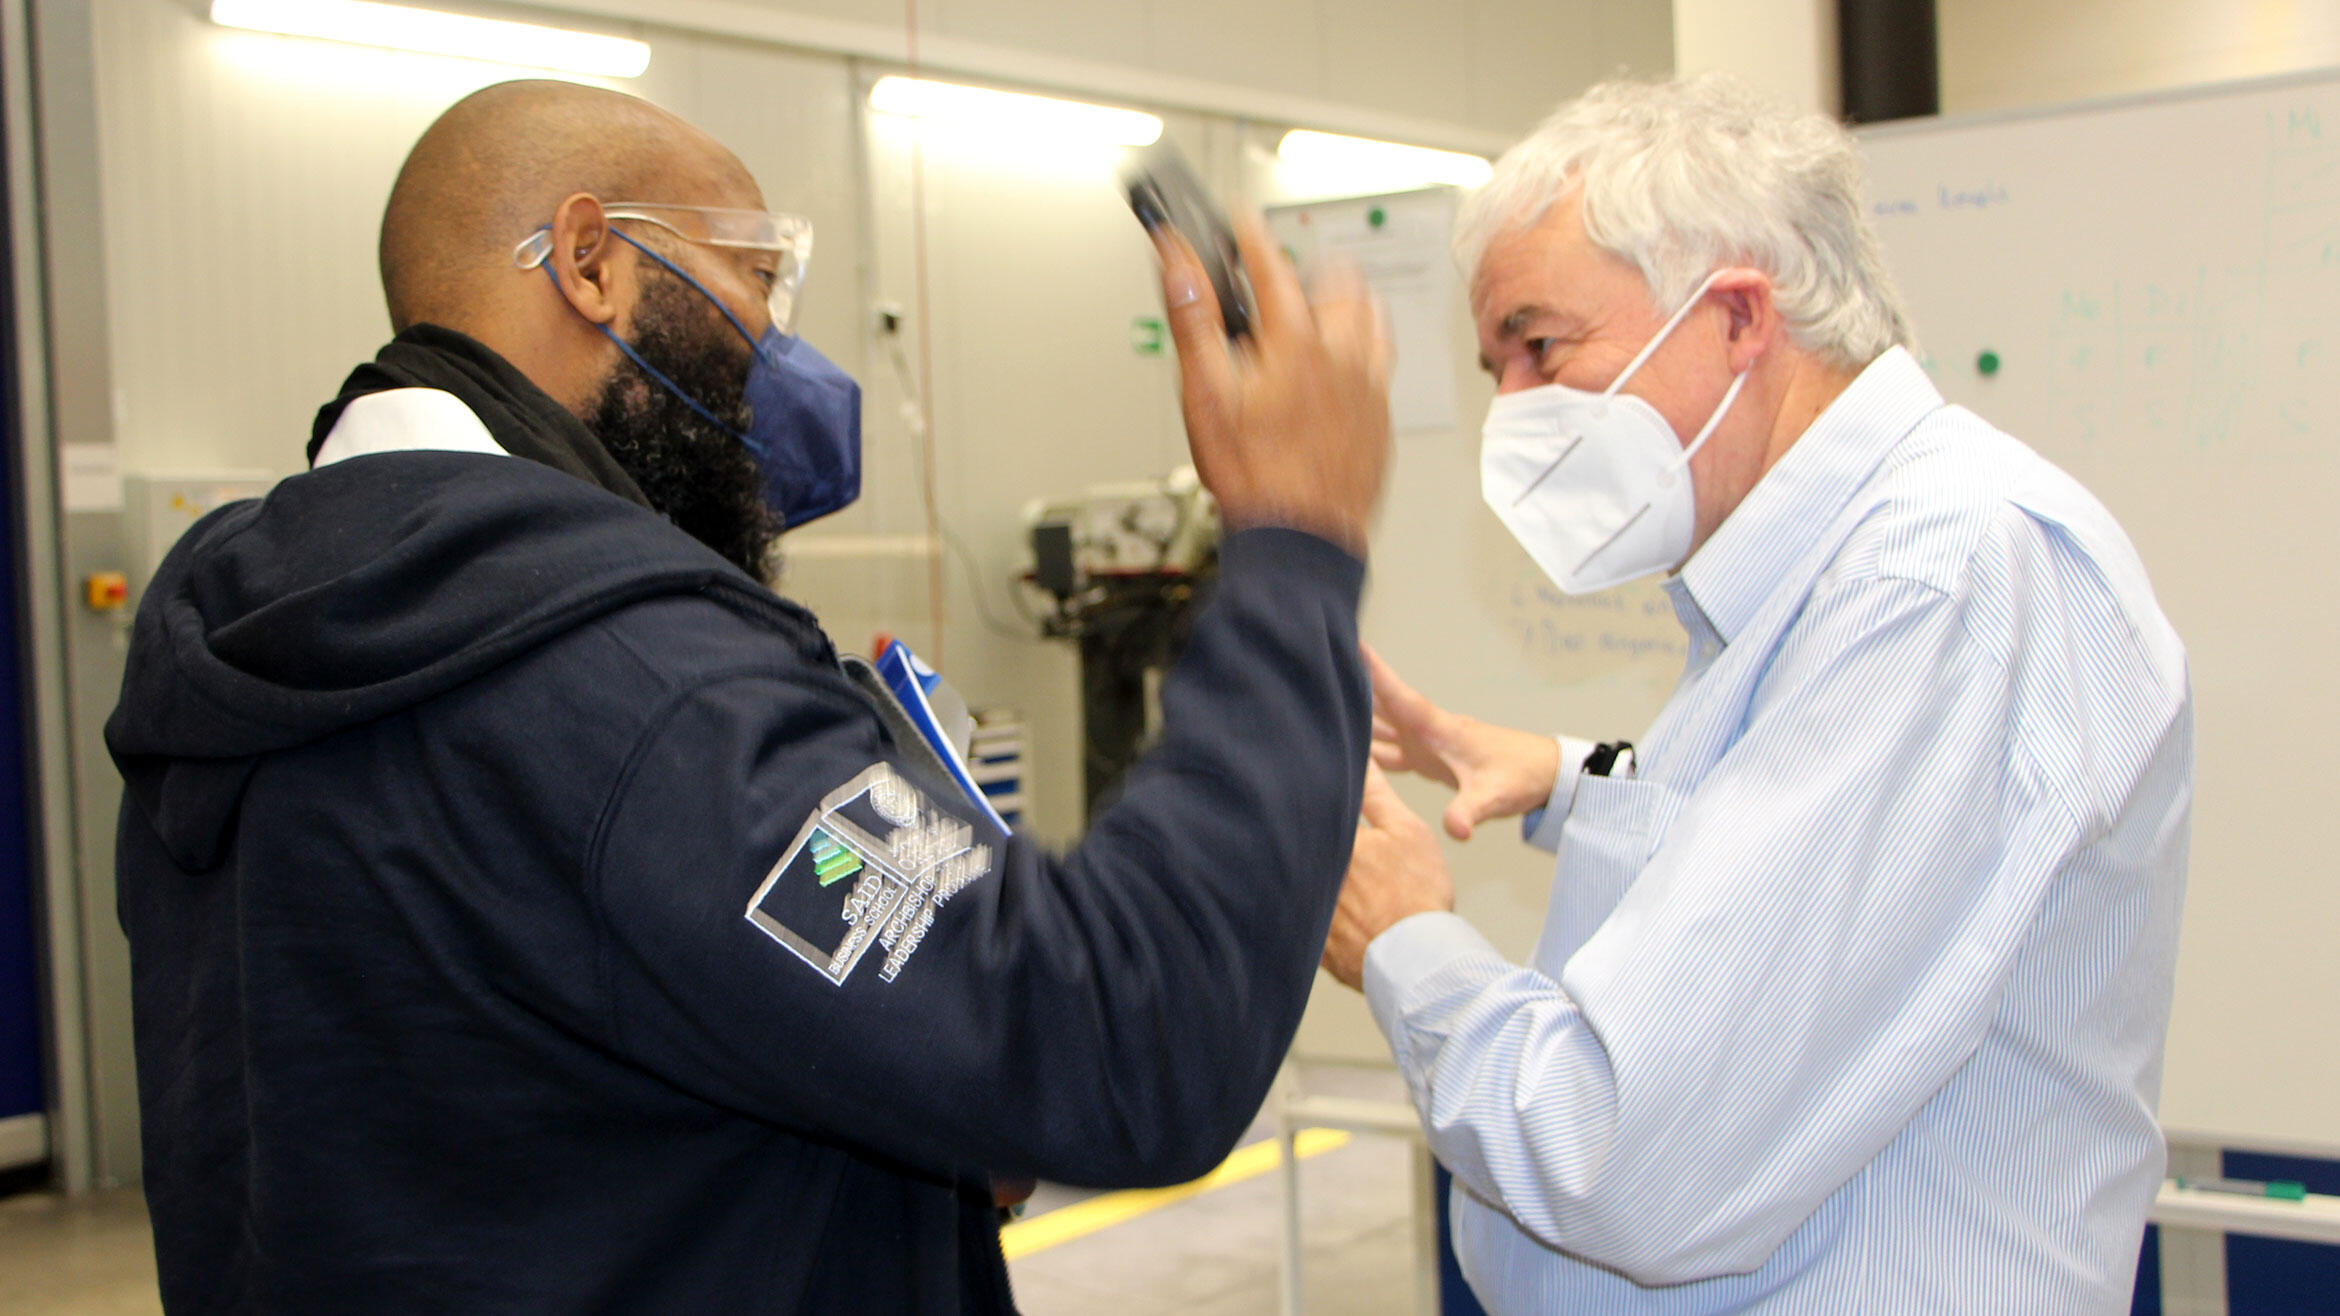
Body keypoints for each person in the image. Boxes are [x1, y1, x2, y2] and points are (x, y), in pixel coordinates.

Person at [105, 80, 1390, 1313]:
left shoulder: (256, 627)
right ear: (591, 260)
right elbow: (1125, 1034)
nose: (779, 350)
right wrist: (1293, 549)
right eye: (756, 279)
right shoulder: (626, 683)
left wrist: (914, 1101)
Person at [1321, 75, 2192, 1313]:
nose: (1511, 412)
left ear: (1736, 318)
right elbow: (1789, 842)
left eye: (1540, 346)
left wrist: (1407, 939)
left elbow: (1618, 1148)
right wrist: (1571, 775)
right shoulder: (1824, 573)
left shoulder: (1932, 579)